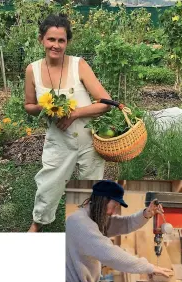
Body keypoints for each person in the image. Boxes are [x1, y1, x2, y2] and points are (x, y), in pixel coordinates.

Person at [24, 14, 111, 232]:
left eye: (61, 40)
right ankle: (38, 223)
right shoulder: (32, 70)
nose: (56, 45)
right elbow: (28, 105)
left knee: (91, 187)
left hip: (88, 141)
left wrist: (74, 113)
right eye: (51, 39)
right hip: (58, 141)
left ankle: (89, 227)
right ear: (41, 39)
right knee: (49, 185)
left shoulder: (78, 65)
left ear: (67, 42)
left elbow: (106, 103)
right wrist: (46, 108)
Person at [66, 180, 172, 282]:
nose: (114, 211)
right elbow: (111, 254)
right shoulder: (80, 223)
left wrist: (146, 213)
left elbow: (126, 223)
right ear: (103, 200)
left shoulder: (93, 219)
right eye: (114, 205)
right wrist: (149, 267)